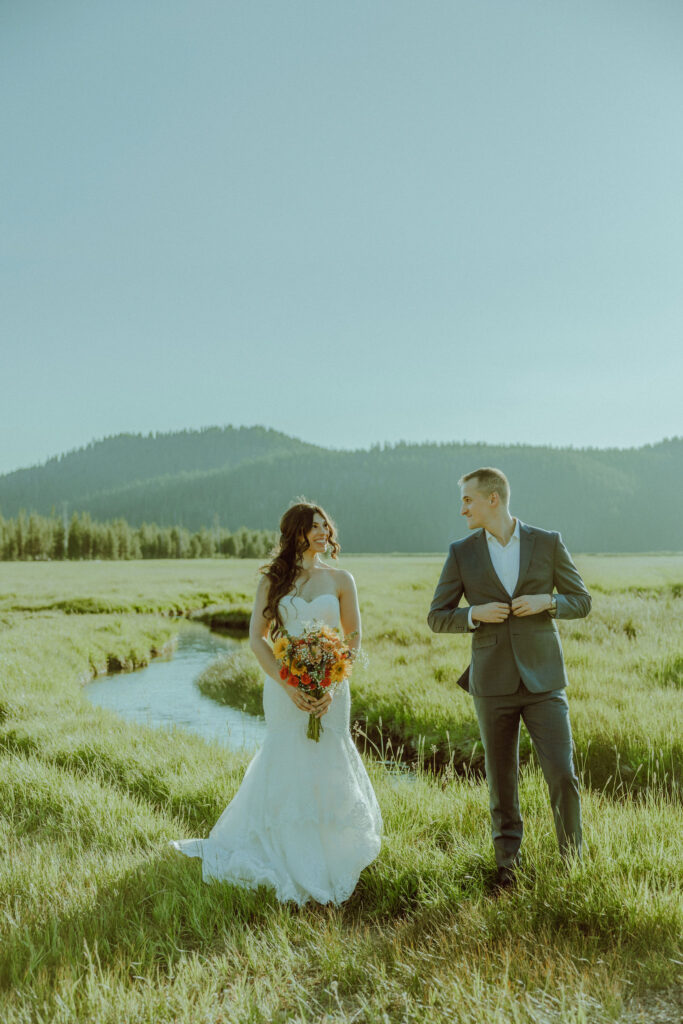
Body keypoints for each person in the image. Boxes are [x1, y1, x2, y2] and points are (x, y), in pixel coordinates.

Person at [170, 501, 382, 905]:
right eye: (313, 526)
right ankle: (287, 852)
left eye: (325, 526)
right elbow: (257, 639)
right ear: (295, 533)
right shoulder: (274, 580)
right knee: (287, 757)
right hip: (284, 688)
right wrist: (289, 684)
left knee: (330, 756)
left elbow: (353, 636)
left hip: (332, 688)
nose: (323, 532)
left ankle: (332, 854)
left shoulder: (341, 579)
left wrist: (333, 682)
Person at [427, 468, 591, 889]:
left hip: (545, 683)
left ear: (493, 499)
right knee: (501, 782)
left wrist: (548, 602)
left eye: (468, 500)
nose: (462, 508)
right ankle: (508, 869)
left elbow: (582, 601)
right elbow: (437, 616)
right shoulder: (461, 552)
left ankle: (573, 862)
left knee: (562, 773)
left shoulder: (547, 542)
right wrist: (472, 614)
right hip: (491, 683)